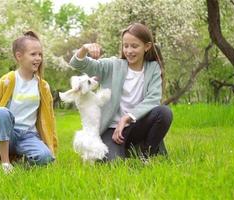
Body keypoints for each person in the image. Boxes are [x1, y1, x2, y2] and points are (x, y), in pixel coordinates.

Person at [69, 23, 173, 161]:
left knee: (164, 112)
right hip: (112, 130)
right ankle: (123, 151)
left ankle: (145, 154)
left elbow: (153, 99)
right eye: (126, 46)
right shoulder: (113, 65)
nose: (129, 51)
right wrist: (84, 49)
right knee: (114, 163)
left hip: (137, 126)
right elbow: (77, 64)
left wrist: (126, 118)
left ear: (147, 47)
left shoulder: (153, 68)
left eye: (134, 46)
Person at [0, 31, 57, 173]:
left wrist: (52, 148)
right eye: (33, 54)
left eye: (40, 54)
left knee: (46, 158)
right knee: (1, 112)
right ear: (19, 56)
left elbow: (50, 120)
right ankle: (5, 164)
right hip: (7, 134)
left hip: (28, 135)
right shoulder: (7, 80)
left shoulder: (43, 86)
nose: (38, 58)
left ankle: (21, 159)